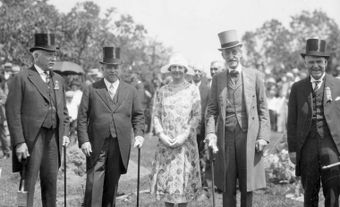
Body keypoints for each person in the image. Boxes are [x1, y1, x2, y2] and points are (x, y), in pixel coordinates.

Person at [205, 30, 270, 207]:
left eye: (234, 51)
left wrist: (263, 136)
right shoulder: (217, 79)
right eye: (227, 53)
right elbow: (211, 110)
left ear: (240, 52)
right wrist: (211, 133)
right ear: (223, 55)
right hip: (225, 137)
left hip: (248, 136)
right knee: (227, 185)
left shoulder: (255, 76)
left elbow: (264, 109)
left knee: (247, 184)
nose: (231, 56)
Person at [5, 33, 70, 207]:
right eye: (49, 54)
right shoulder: (22, 78)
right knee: (27, 184)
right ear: (36, 55)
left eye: (54, 54)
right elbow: (12, 112)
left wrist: (65, 133)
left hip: (53, 139)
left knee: (50, 184)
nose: (53, 58)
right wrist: (19, 142)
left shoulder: (58, 80)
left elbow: (64, 111)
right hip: (31, 140)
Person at [77, 46, 145, 207]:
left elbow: (138, 115)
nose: (112, 70)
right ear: (103, 68)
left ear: (120, 68)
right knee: (94, 182)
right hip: (96, 144)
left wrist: (139, 134)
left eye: (115, 67)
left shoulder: (130, 90)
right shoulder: (92, 89)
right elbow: (82, 118)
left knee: (112, 184)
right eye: (109, 67)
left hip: (120, 144)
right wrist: (84, 140)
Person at [287, 38, 340, 207]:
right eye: (311, 62)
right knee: (309, 192)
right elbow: (292, 122)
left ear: (326, 62)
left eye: (319, 61)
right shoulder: (297, 88)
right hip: (307, 146)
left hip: (331, 146)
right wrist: (293, 149)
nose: (315, 66)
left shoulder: (338, 85)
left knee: (332, 193)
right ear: (305, 62)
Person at [150, 54, 202, 207]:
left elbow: (197, 115)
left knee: (183, 185)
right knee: (167, 184)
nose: (177, 70)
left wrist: (184, 135)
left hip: (185, 144)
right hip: (166, 144)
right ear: (170, 69)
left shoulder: (192, 90)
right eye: (174, 67)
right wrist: (161, 135)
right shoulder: (162, 91)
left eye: (180, 67)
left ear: (185, 70)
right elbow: (156, 115)